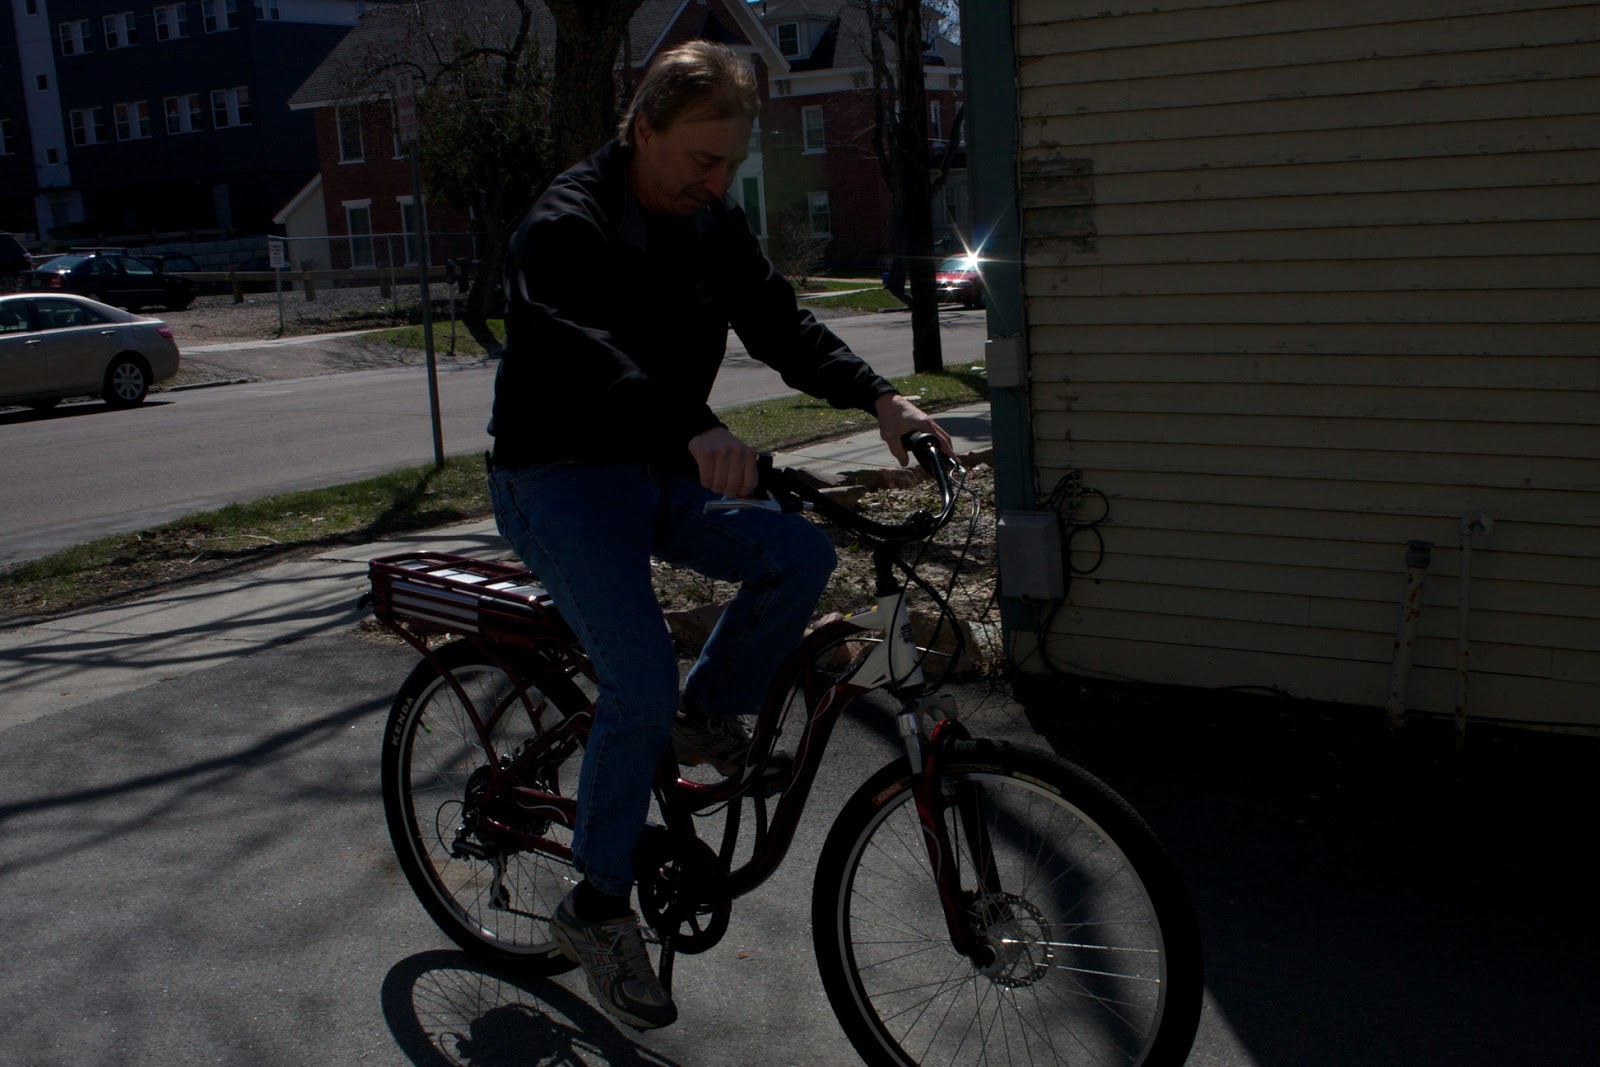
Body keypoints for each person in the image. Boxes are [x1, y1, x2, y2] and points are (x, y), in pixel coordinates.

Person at [486, 40, 949, 1031]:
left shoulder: (707, 224)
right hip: (558, 478)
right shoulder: (563, 225)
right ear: (643, 128)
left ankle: (707, 713)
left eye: (727, 165)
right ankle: (595, 903)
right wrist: (689, 427)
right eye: (698, 158)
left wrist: (882, 398)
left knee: (800, 552)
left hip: (654, 465)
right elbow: (582, 349)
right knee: (637, 679)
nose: (712, 181)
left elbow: (779, 324)